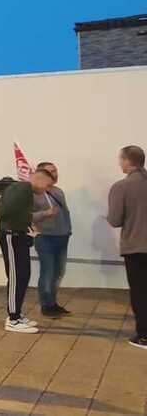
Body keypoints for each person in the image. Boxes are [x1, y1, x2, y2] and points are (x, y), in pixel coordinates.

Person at [0, 168, 55, 334]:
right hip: (11, 235)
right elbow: (2, 213)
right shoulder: (22, 189)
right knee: (16, 276)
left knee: (23, 275)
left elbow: (11, 212)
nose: (46, 190)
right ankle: (13, 319)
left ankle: (17, 314)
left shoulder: (24, 190)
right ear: (40, 180)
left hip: (17, 235)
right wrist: (27, 221)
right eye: (47, 186)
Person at [106, 145, 147, 350]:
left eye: (120, 159)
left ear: (127, 161)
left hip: (137, 246)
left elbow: (114, 220)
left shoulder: (122, 187)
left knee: (140, 291)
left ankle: (144, 336)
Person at [31, 161, 72, 318]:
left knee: (59, 272)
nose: (54, 174)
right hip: (45, 237)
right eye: (50, 172)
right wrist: (45, 214)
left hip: (62, 236)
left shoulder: (58, 191)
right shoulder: (34, 194)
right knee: (48, 272)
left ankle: (53, 303)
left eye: (55, 171)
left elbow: (64, 212)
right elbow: (28, 217)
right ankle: (46, 305)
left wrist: (68, 230)